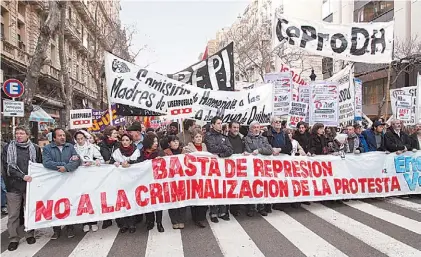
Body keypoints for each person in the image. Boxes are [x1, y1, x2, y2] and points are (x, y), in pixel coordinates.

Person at [1, 127, 42, 251]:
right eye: (17, 133)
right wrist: (22, 176)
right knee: (13, 214)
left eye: (21, 133)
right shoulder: (8, 148)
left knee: (30, 211)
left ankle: (30, 234)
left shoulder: (35, 148)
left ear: (28, 135)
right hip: (13, 186)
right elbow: (8, 166)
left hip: (30, 186)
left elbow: (39, 165)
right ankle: (14, 238)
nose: (18, 135)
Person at [42, 128, 81, 239]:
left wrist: (67, 167)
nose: (62, 137)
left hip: (68, 181)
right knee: (55, 204)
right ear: (54, 138)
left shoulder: (70, 147)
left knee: (68, 203)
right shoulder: (47, 148)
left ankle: (70, 228)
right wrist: (63, 164)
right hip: (54, 183)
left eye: (63, 135)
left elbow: (76, 160)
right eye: (60, 136)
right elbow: (47, 162)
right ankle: (56, 229)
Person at [109, 134, 141, 233]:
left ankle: (132, 223)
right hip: (120, 181)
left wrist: (130, 163)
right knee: (121, 202)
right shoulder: (117, 152)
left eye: (127, 140)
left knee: (131, 201)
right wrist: (115, 164)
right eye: (123, 140)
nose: (125, 142)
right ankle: (122, 224)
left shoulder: (136, 151)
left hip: (132, 181)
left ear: (131, 141)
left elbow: (140, 163)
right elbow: (111, 163)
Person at [74, 131, 104, 233]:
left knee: (92, 198)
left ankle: (93, 222)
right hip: (79, 177)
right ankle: (85, 222)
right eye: (78, 139)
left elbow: (101, 159)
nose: (80, 140)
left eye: (81, 138)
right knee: (82, 199)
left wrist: (93, 162)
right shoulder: (73, 149)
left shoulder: (92, 147)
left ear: (85, 138)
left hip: (91, 177)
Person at [204, 116, 233, 223]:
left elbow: (230, 150)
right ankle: (213, 212)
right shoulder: (208, 136)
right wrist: (223, 148)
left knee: (223, 188)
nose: (220, 125)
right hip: (212, 167)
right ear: (212, 125)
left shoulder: (224, 136)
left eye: (221, 123)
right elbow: (212, 148)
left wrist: (221, 153)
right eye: (218, 123)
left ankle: (223, 211)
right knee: (214, 188)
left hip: (223, 167)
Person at [244, 121, 273, 216]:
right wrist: (253, 152)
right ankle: (251, 208)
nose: (256, 129)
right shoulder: (246, 139)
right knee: (252, 186)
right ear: (250, 129)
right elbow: (248, 151)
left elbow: (269, 150)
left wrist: (259, 150)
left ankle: (261, 207)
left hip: (262, 167)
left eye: (258, 127)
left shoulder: (264, 139)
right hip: (251, 167)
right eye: (254, 127)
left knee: (262, 187)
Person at [182, 128, 208, 228]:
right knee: (195, 197)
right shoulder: (188, 148)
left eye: (200, 137)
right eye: (196, 137)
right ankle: (196, 218)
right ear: (193, 139)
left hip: (203, 176)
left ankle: (201, 216)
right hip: (193, 176)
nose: (198, 139)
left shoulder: (204, 146)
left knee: (203, 197)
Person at [160, 135, 186, 229]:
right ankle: (174, 220)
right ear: (169, 143)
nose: (175, 143)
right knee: (172, 200)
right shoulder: (165, 153)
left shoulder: (184, 151)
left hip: (182, 180)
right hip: (170, 180)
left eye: (177, 141)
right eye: (173, 141)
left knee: (183, 200)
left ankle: (181, 219)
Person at [141, 132, 164, 232]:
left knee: (158, 202)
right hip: (145, 181)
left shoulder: (159, 153)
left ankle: (159, 222)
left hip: (157, 181)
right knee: (147, 201)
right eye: (154, 141)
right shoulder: (141, 153)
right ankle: (150, 221)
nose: (156, 143)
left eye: (157, 141)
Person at [97, 126, 120, 229]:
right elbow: (100, 158)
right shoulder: (100, 145)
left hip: (117, 174)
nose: (117, 135)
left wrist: (110, 162)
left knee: (118, 195)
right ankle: (107, 219)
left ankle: (119, 218)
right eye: (114, 133)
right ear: (108, 135)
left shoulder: (118, 144)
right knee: (106, 196)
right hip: (105, 175)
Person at [227, 121, 245, 217]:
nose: (236, 129)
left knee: (238, 187)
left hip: (239, 166)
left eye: (237, 127)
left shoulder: (242, 138)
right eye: (234, 127)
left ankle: (236, 208)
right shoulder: (226, 138)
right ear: (230, 128)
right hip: (228, 167)